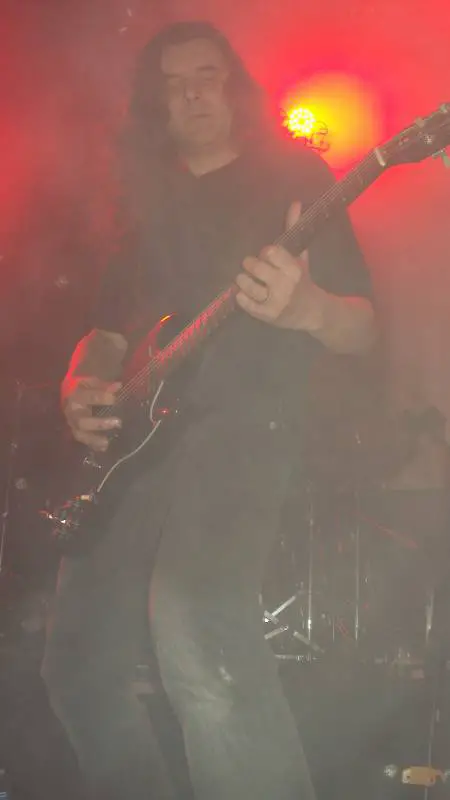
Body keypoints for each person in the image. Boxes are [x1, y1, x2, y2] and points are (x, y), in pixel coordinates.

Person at [41, 19, 377, 800]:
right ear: (154, 104)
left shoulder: (293, 177)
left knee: (196, 621)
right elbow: (105, 333)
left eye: (206, 75)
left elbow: (363, 327)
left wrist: (310, 311)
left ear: (236, 88)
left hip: (243, 430)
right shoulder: (144, 203)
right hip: (135, 449)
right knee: (78, 666)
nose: (191, 94)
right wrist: (78, 385)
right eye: (173, 84)